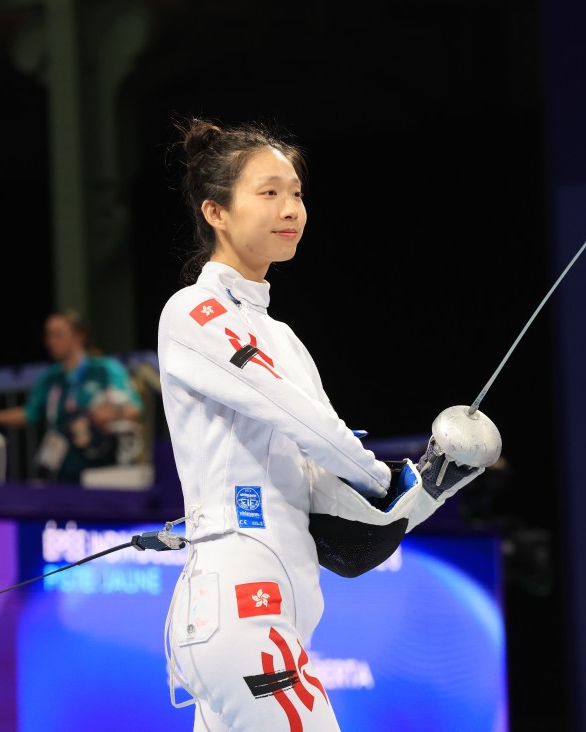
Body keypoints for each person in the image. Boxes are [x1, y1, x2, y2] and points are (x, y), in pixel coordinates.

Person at [157, 116, 491, 731]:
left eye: (296, 193)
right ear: (216, 213)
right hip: (240, 605)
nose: (290, 208)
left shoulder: (283, 340)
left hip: (277, 613)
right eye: (268, 193)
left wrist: (429, 486)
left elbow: (326, 489)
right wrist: (380, 477)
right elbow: (297, 417)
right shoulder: (193, 312)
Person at [0, 309, 144, 484]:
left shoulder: (105, 369)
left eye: (57, 334)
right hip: (61, 471)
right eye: (48, 335)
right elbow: (30, 413)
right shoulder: (49, 377)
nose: (51, 341)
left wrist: (108, 414)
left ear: (78, 336)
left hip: (102, 468)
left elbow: (134, 408)